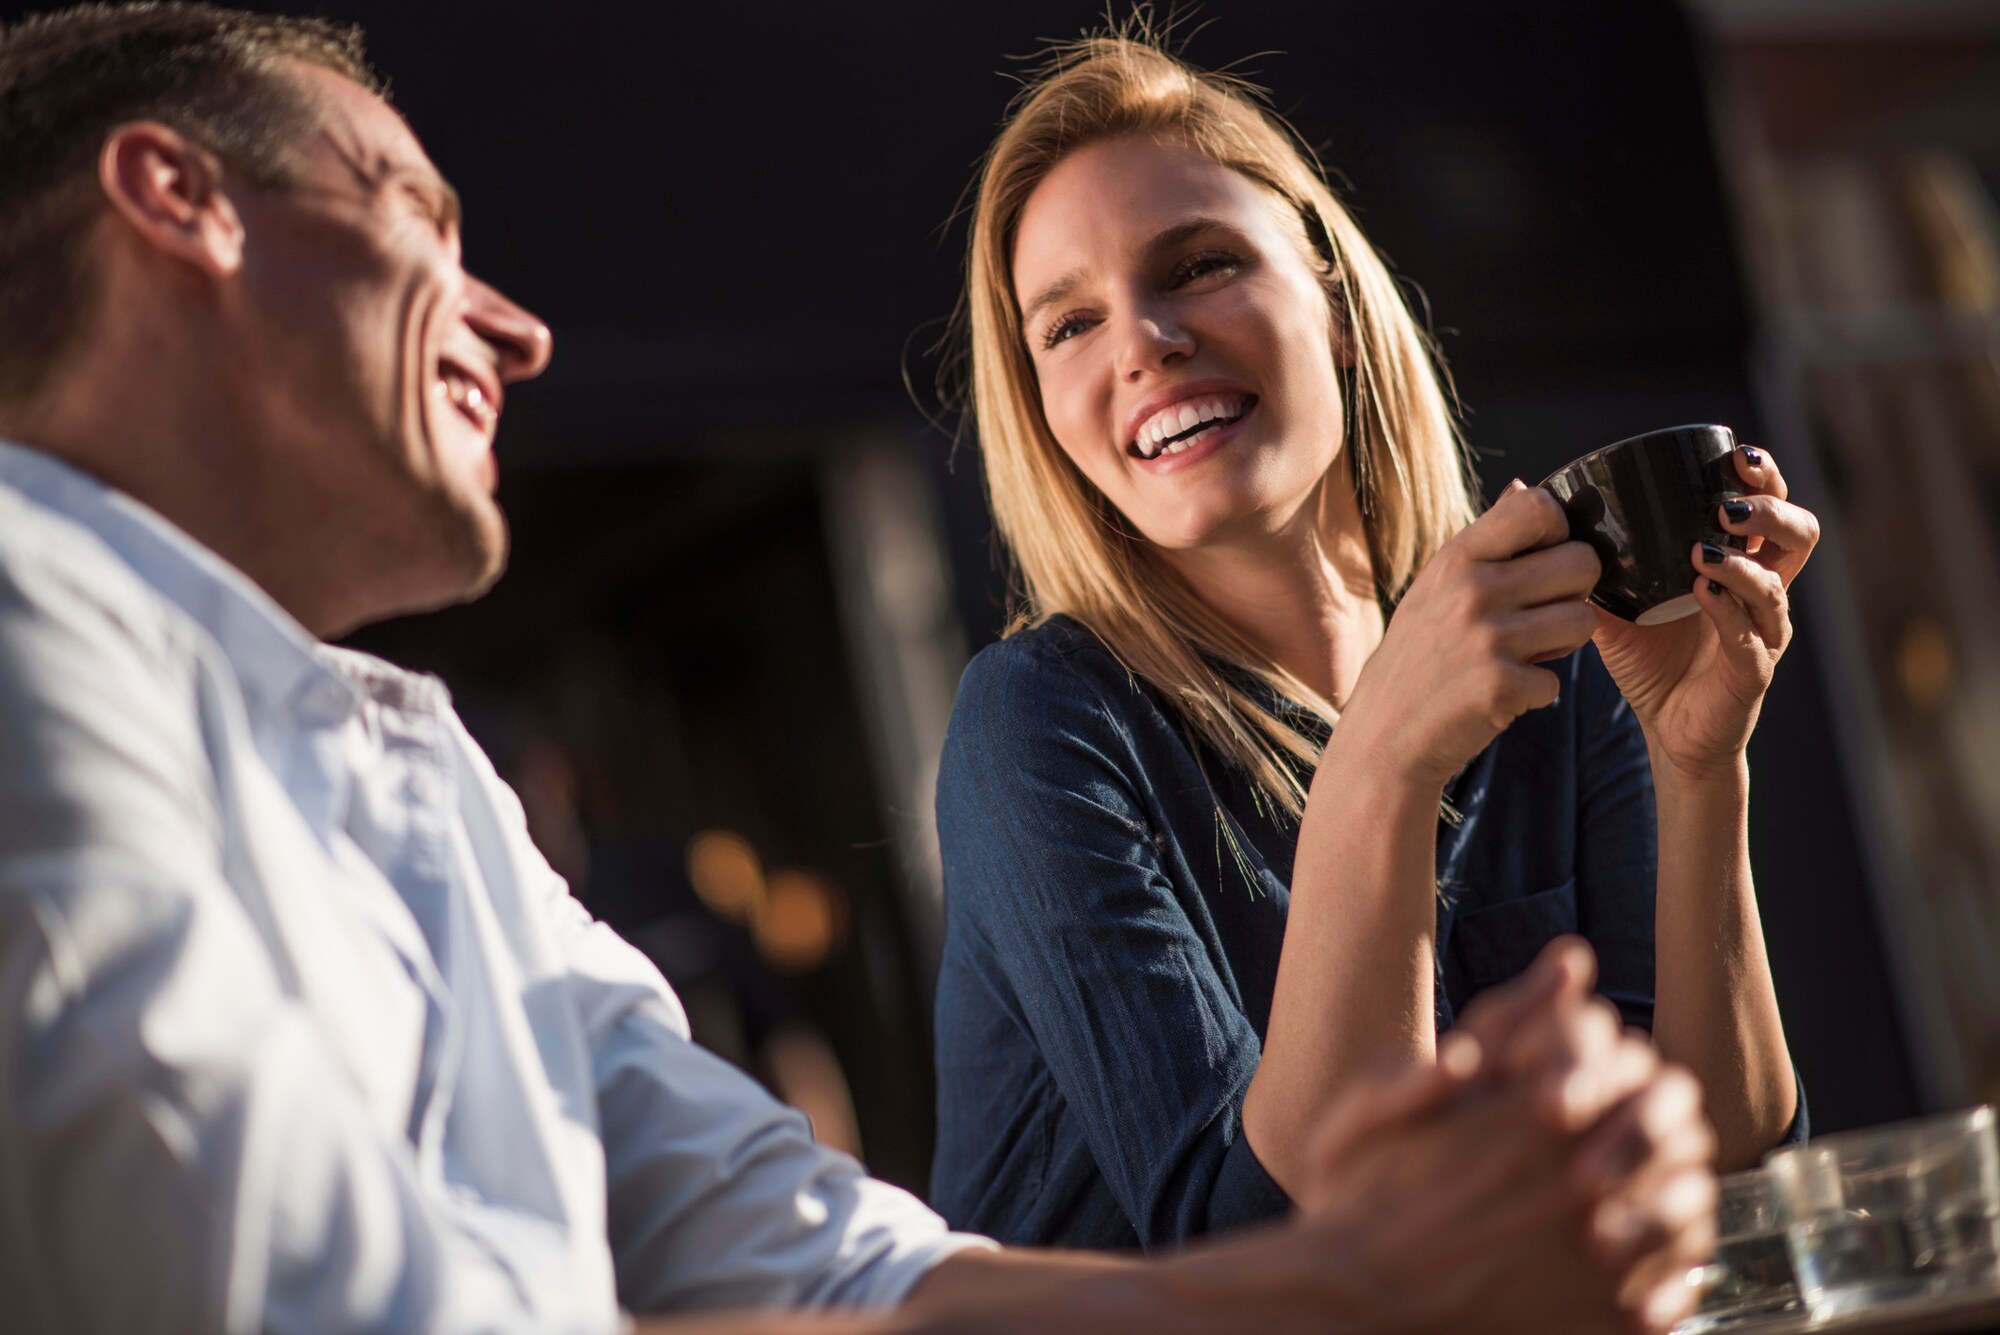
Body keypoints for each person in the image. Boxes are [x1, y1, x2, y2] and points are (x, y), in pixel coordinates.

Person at [0, 5, 1714, 1332]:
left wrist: (1381, 1284)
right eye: (416, 219)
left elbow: (823, 1262)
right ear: (179, 202)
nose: (516, 329)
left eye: (1203, 267)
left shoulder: (412, 774)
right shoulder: (28, 626)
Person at [931, 32, 1817, 1251]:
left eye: (1194, 265)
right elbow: (1247, 1251)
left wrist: (1700, 769)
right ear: (1040, 409)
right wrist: (1383, 761)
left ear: (1335, 308)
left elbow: (1718, 1168)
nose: (1141, 342)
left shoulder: (1557, 649)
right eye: (1068, 325)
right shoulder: (1038, 723)